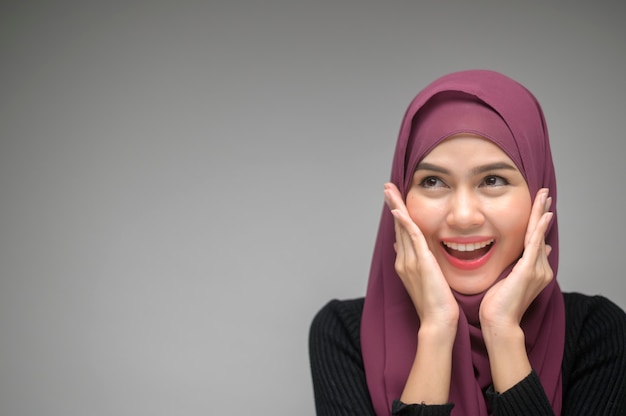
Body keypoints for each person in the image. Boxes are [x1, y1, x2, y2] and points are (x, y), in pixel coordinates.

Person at [309, 69, 626, 415]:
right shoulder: (343, 334)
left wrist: (503, 333)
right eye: (432, 181)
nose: (462, 216)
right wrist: (435, 330)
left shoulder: (598, 333)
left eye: (493, 180)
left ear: (539, 192)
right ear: (400, 197)